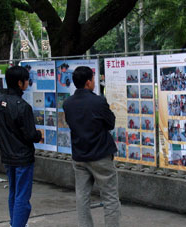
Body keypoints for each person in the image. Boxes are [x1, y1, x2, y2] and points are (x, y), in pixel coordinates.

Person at [63, 66, 120, 227]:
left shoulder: (68, 104)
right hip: (101, 155)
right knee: (110, 197)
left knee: (82, 197)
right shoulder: (98, 101)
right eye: (94, 79)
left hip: (80, 155)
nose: (95, 82)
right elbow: (110, 123)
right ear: (88, 82)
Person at [0, 66, 42, 227]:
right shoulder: (22, 106)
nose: (28, 83)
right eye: (27, 80)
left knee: (13, 191)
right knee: (22, 196)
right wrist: (39, 135)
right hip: (22, 157)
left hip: (7, 155)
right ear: (20, 83)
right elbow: (30, 135)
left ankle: (15, 222)